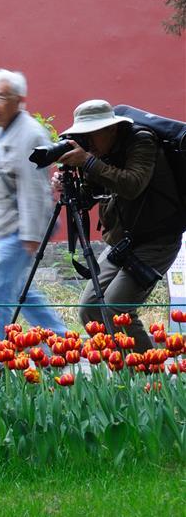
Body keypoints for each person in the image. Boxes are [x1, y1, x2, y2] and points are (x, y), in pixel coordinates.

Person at [55, 99, 185, 353]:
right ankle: (124, 375)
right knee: (90, 309)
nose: (88, 141)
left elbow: (132, 184)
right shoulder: (103, 152)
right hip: (122, 240)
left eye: (91, 134)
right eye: (83, 136)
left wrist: (88, 162)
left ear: (111, 129)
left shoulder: (142, 142)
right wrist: (68, 184)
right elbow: (96, 194)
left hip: (156, 239)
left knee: (116, 308)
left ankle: (149, 378)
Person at [0, 69, 67, 338]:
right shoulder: (1, 131)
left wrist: (30, 236)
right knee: (20, 290)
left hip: (19, 231)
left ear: (19, 99)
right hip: (2, 228)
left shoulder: (29, 134)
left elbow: (34, 190)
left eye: (1, 97)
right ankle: (60, 339)